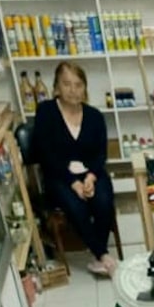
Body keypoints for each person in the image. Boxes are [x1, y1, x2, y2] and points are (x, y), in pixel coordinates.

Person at [31, 62, 117, 276]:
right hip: (59, 175)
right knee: (76, 205)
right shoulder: (46, 112)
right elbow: (45, 154)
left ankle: (98, 253)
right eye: (67, 84)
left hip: (90, 173)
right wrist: (73, 182)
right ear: (57, 87)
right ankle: (102, 255)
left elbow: (100, 155)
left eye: (78, 85)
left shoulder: (95, 116)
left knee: (104, 200)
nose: (73, 90)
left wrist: (90, 177)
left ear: (85, 88)